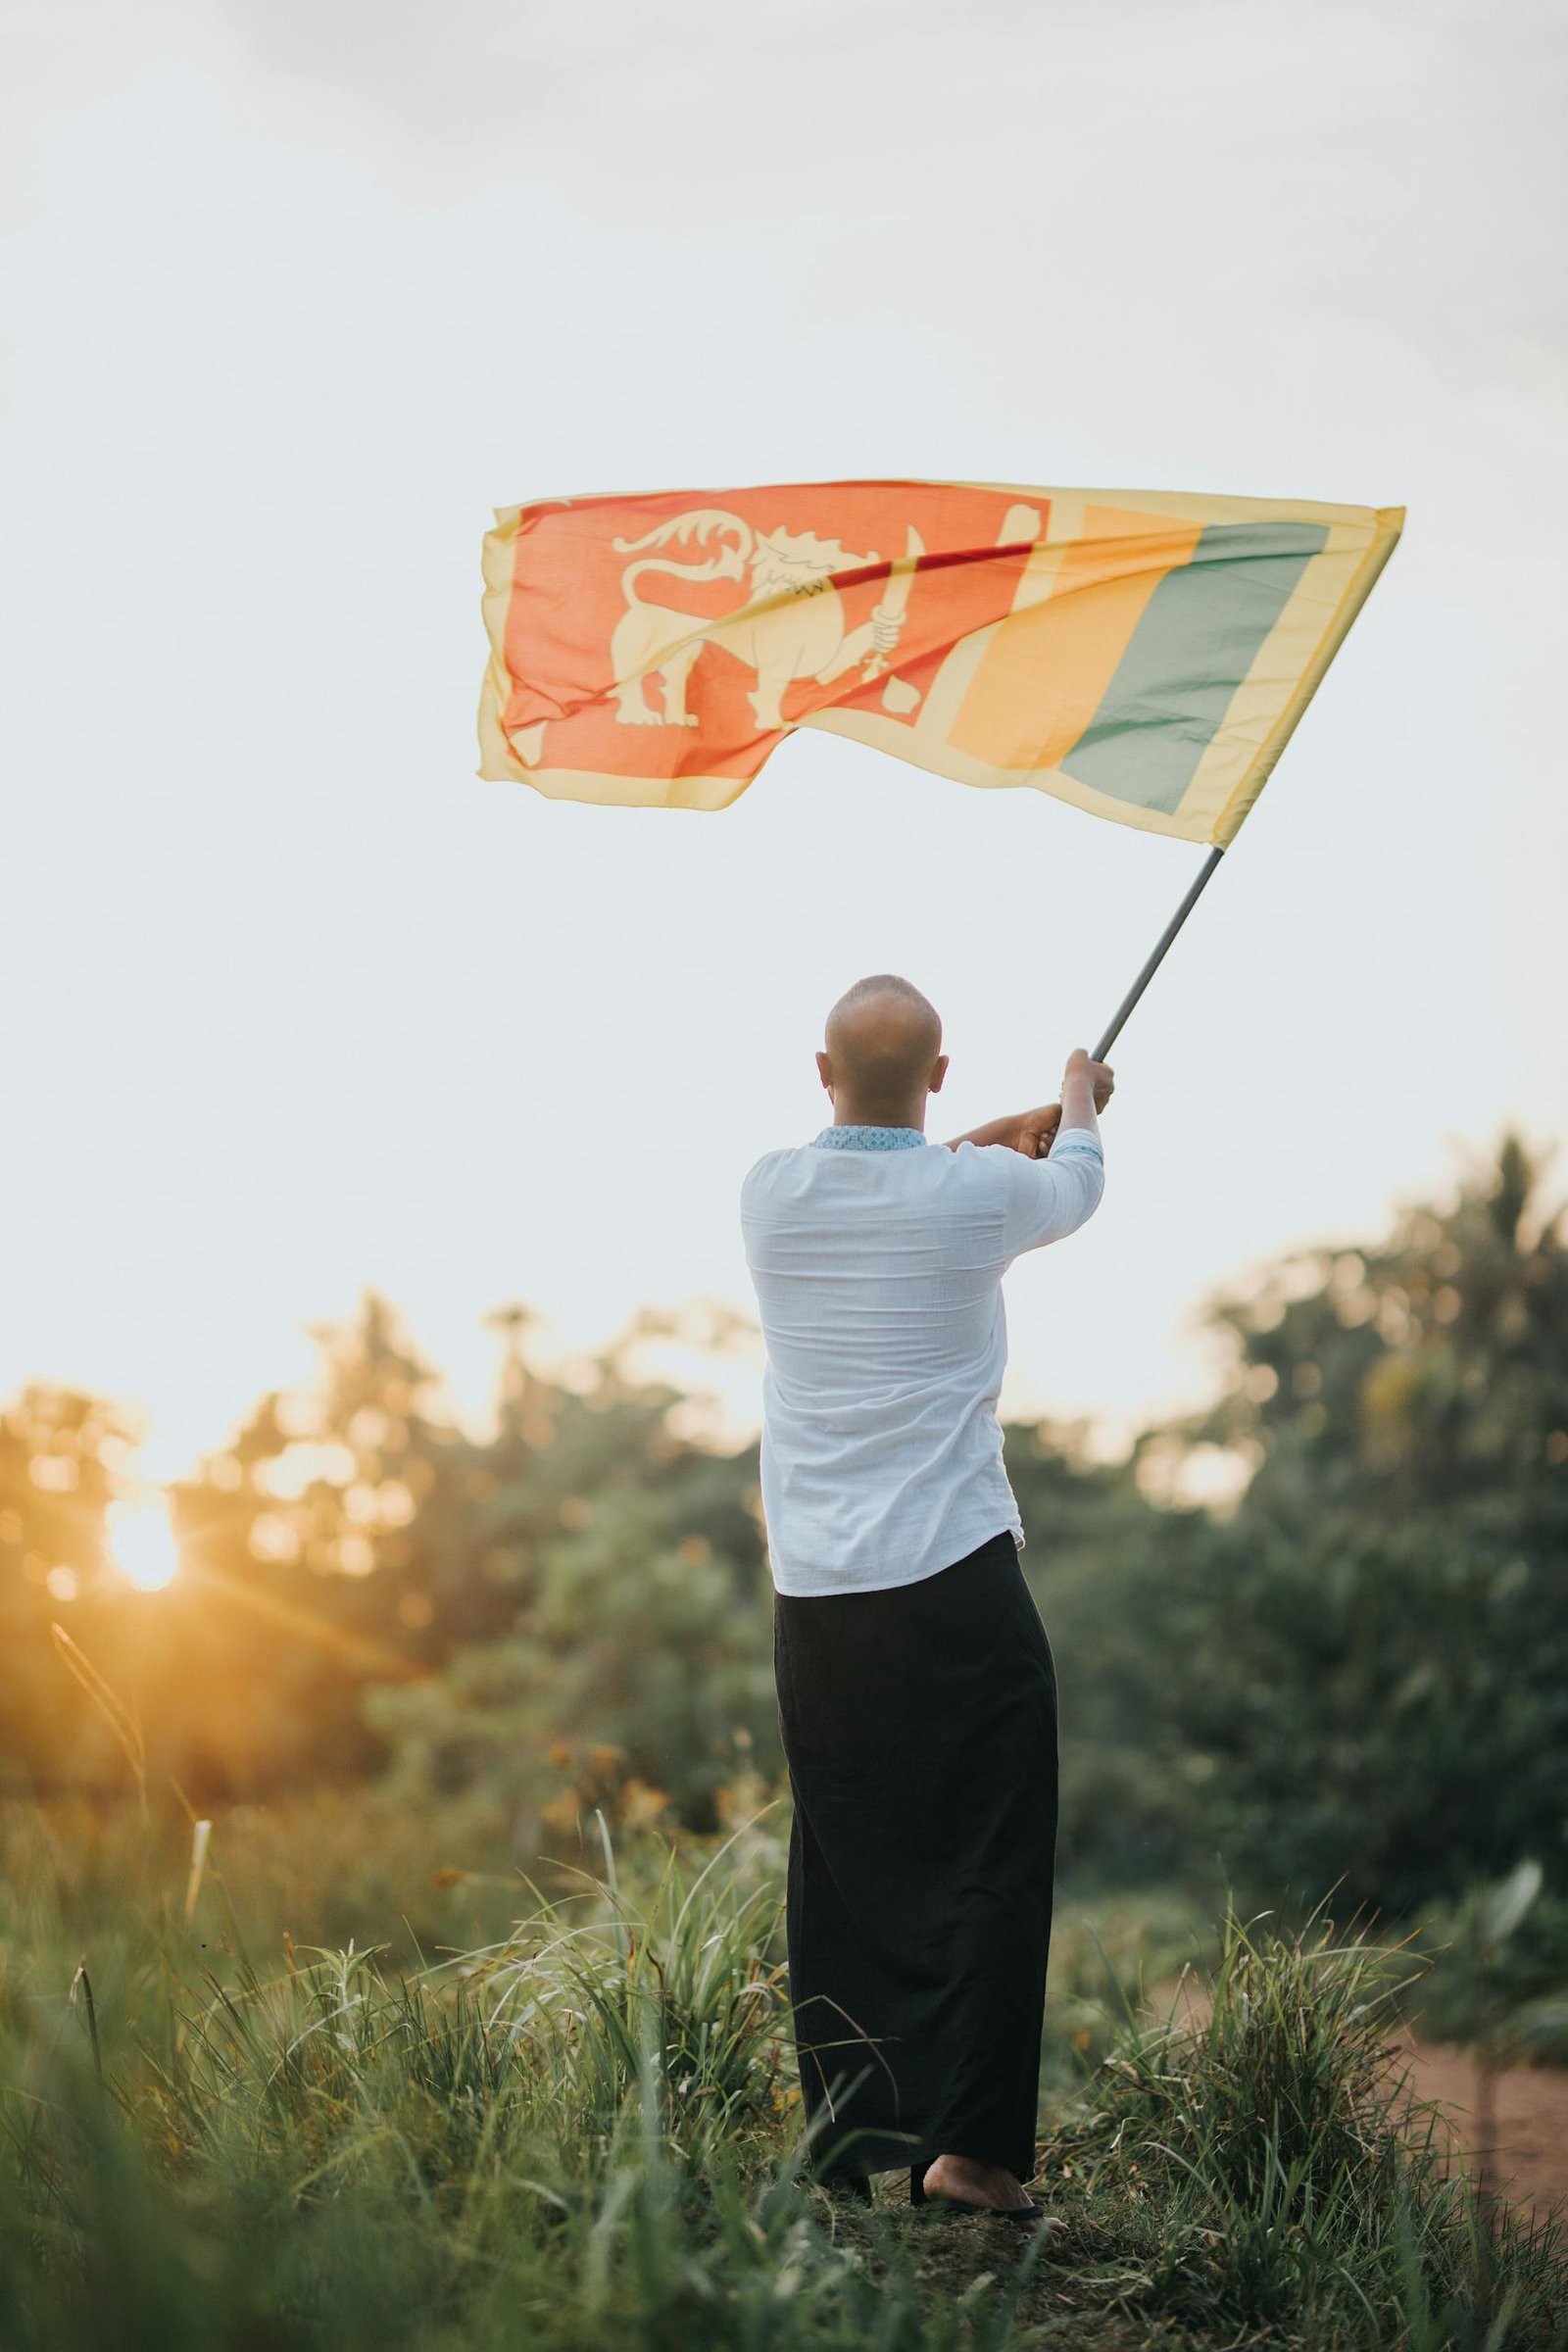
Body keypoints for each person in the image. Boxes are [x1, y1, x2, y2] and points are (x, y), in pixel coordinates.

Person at [740, 973, 1112, 2227]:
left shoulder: (770, 1195)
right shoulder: (982, 1198)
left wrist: (979, 1131)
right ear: (940, 1079)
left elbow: (889, 1178)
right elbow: (1078, 1184)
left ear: (820, 1070)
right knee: (993, 1854)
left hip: (820, 1602)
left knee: (847, 1864)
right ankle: (971, 2157)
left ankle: (846, 2143)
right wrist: (1072, 1097)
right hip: (956, 1579)